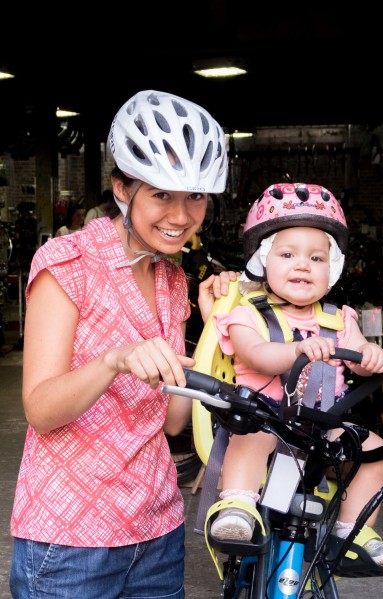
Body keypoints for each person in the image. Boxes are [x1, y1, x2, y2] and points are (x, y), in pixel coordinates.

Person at [9, 89, 236, 599]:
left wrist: (213, 325)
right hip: (70, 541)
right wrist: (113, 361)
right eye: (161, 195)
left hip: (157, 528)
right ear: (121, 188)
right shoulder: (66, 263)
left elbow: (173, 421)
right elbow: (41, 410)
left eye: (195, 196)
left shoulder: (172, 278)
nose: (181, 215)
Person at [203, 182, 383, 570]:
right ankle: (238, 506)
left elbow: (358, 356)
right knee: (250, 437)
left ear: (333, 268)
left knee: (376, 450)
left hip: (321, 425)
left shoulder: (339, 318)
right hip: (264, 417)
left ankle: (351, 530)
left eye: (316, 258)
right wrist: (295, 350)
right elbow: (256, 354)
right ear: (263, 261)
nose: (302, 265)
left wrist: (370, 356)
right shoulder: (249, 314)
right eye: (288, 254)